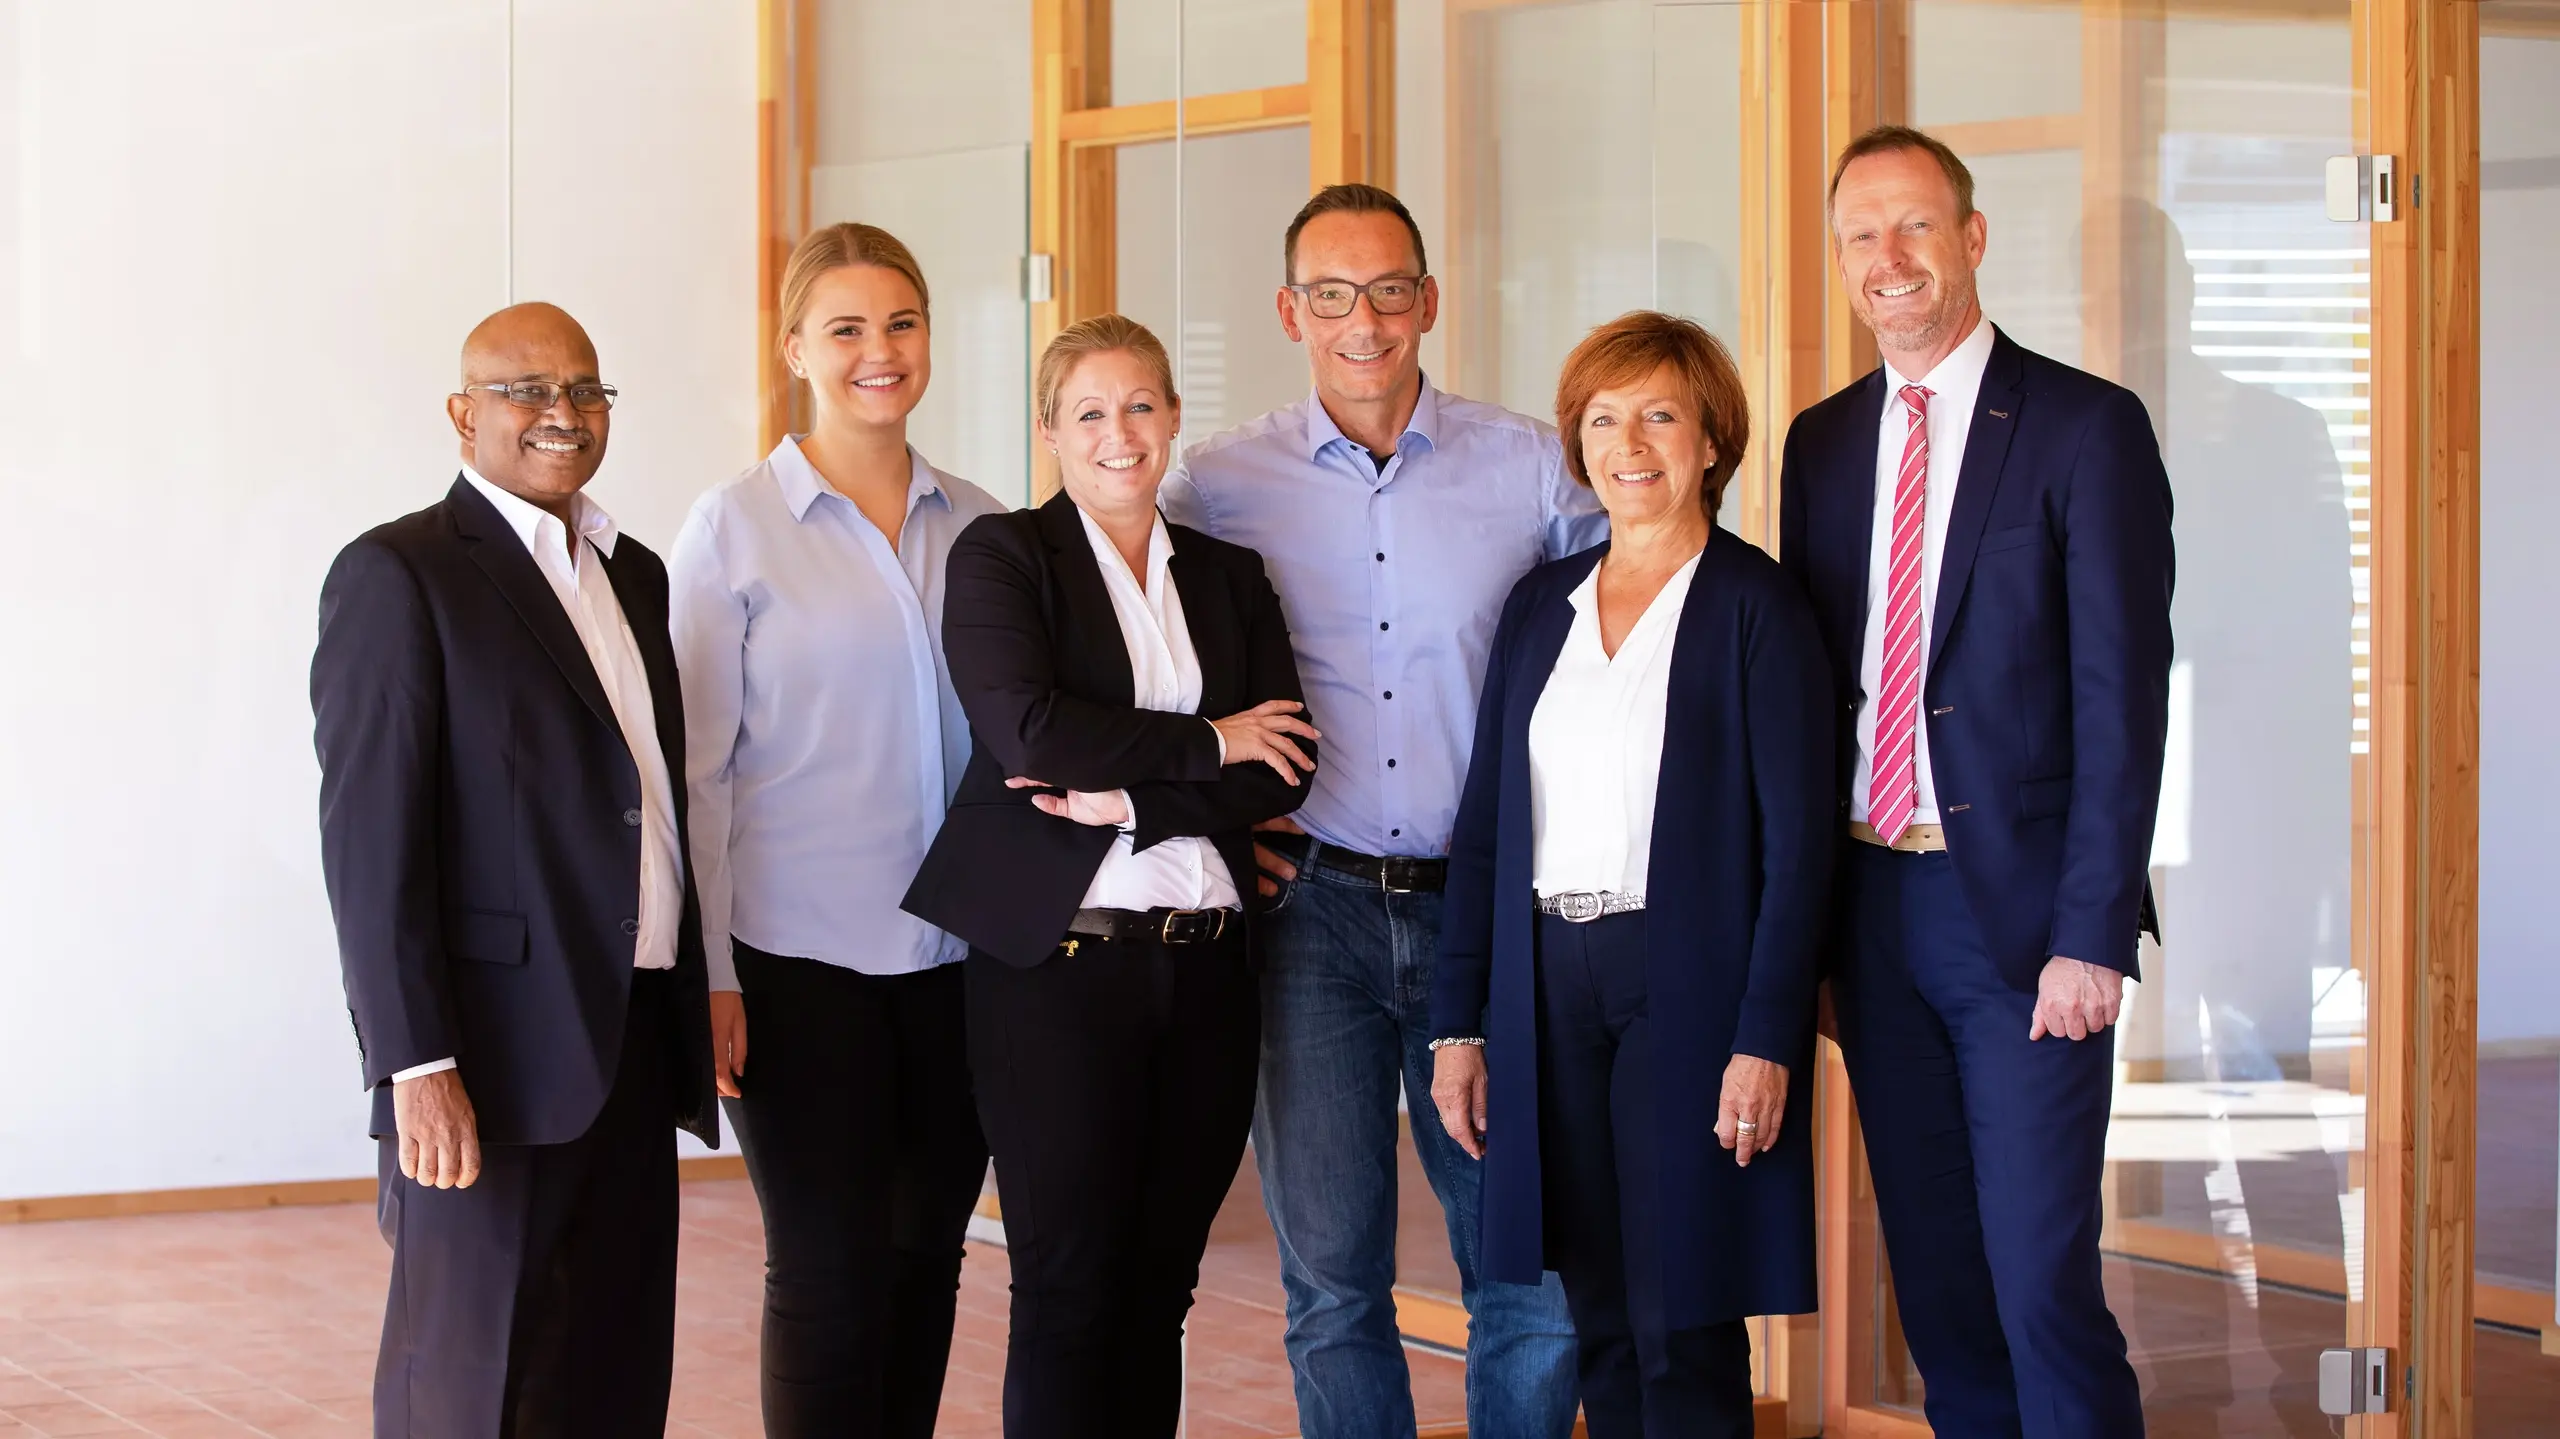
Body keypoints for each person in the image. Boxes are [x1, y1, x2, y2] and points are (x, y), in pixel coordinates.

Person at [1160, 182, 1596, 1439]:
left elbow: (1636, 617)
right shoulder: (1218, 484)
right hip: (1313, 917)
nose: (1367, 322)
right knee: (1331, 1278)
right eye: (1335, 295)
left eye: (1391, 290)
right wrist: (1213, 815)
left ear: (1429, 301)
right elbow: (1145, 652)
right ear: (1291, 310)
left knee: (1525, 1262)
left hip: (1489, 917)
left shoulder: (1529, 467)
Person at [1777, 125, 2173, 1438]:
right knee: (1939, 1278)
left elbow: (2123, 699)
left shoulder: (2083, 427)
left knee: (2040, 1273)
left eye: (1914, 226)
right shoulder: (1820, 445)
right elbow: (1812, 690)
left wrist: (2091, 930)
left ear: (1973, 237)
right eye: (1859, 235)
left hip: (2020, 923)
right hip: (1874, 912)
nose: (1887, 259)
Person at [901, 314, 1319, 1439]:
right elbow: (1031, 729)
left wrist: (1134, 793)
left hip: (1210, 971)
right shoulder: (1002, 557)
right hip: (1057, 971)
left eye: (1140, 405)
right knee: (1069, 1283)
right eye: (1089, 411)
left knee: (1159, 1287)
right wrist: (1208, 742)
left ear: (1175, 417)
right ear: (1049, 431)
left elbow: (1286, 758)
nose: (1119, 432)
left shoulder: (1230, 575)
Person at [312, 302, 717, 1438]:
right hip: (485, 1053)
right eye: (526, 390)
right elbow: (368, 842)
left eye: (584, 389)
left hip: (630, 1036)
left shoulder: (630, 571)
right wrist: (415, 1061)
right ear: (462, 413)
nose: (562, 413)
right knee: (471, 1380)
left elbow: (651, 797)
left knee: (613, 1367)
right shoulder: (402, 574)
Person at [1426, 311, 1833, 1439]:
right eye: (1603, 418)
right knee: (1593, 1295)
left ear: (1710, 440)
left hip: (1685, 983)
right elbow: (1485, 831)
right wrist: (1457, 1022)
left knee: (1684, 1307)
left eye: (1660, 413)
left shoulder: (1758, 605)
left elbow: (1800, 847)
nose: (1630, 442)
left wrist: (1766, 1037)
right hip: (1549, 976)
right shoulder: (1536, 605)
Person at [668, 223, 1005, 1438]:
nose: (880, 350)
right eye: (849, 327)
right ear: (796, 345)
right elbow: (693, 775)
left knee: (928, 1262)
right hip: (794, 962)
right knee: (825, 1269)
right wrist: (705, 973)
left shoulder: (984, 524)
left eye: (902, 323)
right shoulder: (734, 526)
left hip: (960, 968)